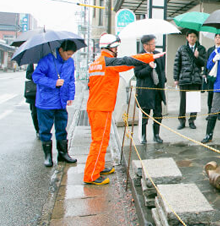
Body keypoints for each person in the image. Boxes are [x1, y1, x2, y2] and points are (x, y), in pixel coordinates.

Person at [84, 34, 165, 185]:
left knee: (102, 139)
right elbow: (128, 61)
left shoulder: (97, 62)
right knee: (99, 141)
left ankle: (99, 167)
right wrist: (149, 57)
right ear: (109, 47)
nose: (116, 50)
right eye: (115, 47)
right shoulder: (108, 62)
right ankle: (91, 175)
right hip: (101, 107)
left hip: (99, 105)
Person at [32, 40, 77, 167]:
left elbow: (71, 80)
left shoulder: (70, 62)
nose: (69, 57)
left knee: (62, 128)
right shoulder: (46, 60)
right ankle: (47, 156)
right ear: (61, 50)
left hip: (61, 101)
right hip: (46, 102)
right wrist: (53, 83)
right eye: (68, 54)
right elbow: (36, 77)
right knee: (45, 130)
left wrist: (70, 95)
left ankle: (63, 154)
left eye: (71, 55)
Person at [134, 34, 166, 144]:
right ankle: (143, 135)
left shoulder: (158, 54)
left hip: (157, 89)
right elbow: (138, 74)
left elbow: (161, 70)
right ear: (145, 45)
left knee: (158, 113)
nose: (154, 46)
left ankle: (156, 134)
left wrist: (163, 80)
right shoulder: (139, 56)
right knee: (145, 115)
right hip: (146, 90)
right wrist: (149, 67)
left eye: (154, 43)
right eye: (152, 44)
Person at [173, 29, 207, 130]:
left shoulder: (201, 49)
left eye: (194, 36)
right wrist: (176, 78)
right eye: (190, 36)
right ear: (187, 37)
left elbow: (204, 63)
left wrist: (197, 57)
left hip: (195, 79)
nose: (192, 38)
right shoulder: (182, 49)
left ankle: (192, 121)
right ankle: (182, 121)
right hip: (184, 79)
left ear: (196, 38)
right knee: (183, 101)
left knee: (194, 102)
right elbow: (177, 64)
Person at [205, 33, 220, 121]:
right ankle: (210, 112)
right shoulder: (210, 50)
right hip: (211, 75)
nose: (217, 39)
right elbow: (207, 62)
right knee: (210, 94)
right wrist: (205, 73)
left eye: (219, 37)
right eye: (216, 37)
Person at [25, 63, 39, 139]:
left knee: (46, 113)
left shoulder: (48, 61)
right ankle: (38, 130)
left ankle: (44, 130)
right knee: (34, 113)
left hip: (45, 92)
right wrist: (36, 73)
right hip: (34, 93)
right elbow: (28, 75)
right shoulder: (32, 63)